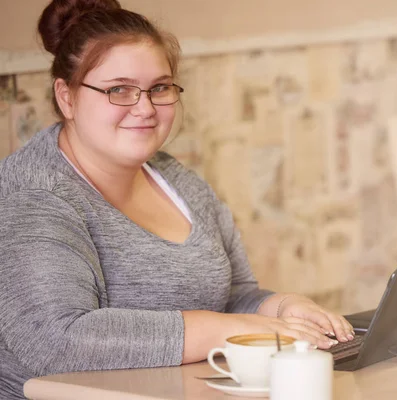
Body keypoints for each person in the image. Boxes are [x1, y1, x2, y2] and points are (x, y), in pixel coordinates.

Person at [0, 1, 354, 398]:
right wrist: (230, 329)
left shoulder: (176, 179)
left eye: (159, 88)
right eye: (119, 90)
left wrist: (283, 308)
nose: (145, 108)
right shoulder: (35, 196)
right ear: (66, 97)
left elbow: (233, 295)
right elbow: (56, 341)